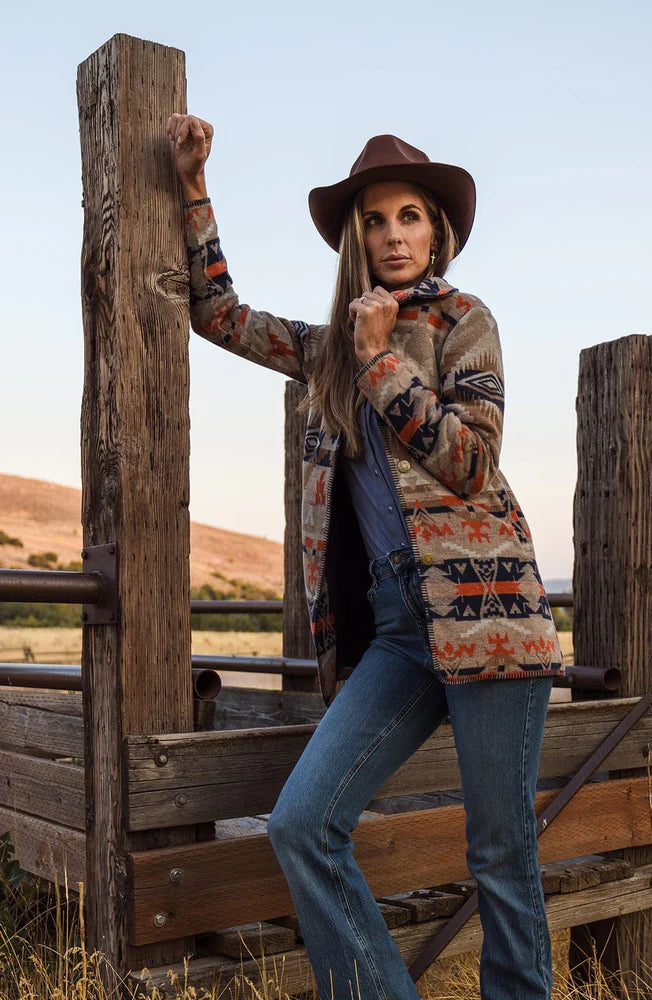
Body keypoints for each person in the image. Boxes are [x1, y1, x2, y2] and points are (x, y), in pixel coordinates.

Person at [167, 114, 564, 1000]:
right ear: (356, 238)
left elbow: (472, 462)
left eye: (410, 216)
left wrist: (382, 360)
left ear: (438, 232)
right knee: (303, 823)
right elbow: (217, 316)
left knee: (500, 852)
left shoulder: (465, 320)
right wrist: (195, 188)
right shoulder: (323, 349)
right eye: (376, 220)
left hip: (490, 618)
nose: (393, 235)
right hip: (396, 630)